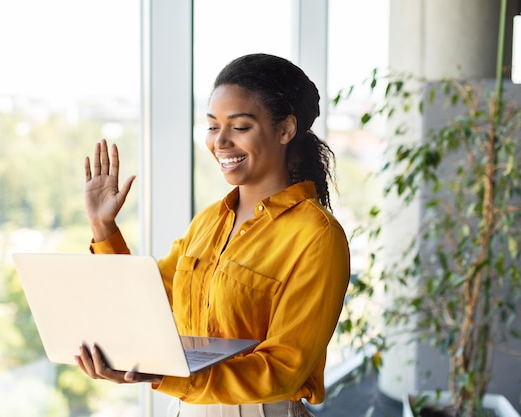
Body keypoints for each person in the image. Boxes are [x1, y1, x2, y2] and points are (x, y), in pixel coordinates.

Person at [76, 53, 350, 417]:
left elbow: (284, 368)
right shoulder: (208, 221)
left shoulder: (317, 236)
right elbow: (150, 301)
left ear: (284, 130)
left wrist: (168, 375)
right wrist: (103, 228)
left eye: (239, 127)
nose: (220, 141)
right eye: (212, 126)